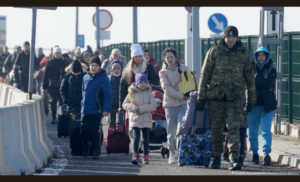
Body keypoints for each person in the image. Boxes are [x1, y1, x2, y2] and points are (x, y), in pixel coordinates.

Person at [196, 26, 256, 171]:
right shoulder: (214, 51)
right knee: (216, 129)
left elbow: (250, 78)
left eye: (233, 37)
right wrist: (201, 97)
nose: (230, 39)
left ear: (237, 38)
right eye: (228, 37)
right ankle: (216, 158)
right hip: (216, 96)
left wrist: (251, 100)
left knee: (234, 128)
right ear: (224, 37)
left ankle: (234, 158)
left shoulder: (244, 54)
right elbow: (205, 75)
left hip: (235, 97)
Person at [159, 47, 189, 164]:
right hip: (170, 105)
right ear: (165, 59)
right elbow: (167, 89)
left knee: (182, 128)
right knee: (171, 132)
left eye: (172, 56)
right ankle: (172, 153)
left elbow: (193, 80)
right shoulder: (162, 72)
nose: (170, 59)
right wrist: (182, 96)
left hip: (183, 104)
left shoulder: (184, 68)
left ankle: (181, 152)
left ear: (176, 57)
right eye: (167, 57)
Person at [248, 47, 277, 166]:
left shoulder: (271, 70)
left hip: (267, 105)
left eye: (263, 55)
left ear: (267, 57)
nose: (261, 57)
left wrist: (255, 78)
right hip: (253, 105)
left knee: (266, 130)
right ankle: (255, 153)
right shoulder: (249, 70)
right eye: (259, 55)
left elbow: (268, 83)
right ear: (255, 57)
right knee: (253, 132)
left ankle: (266, 153)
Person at [81, 56, 112, 160]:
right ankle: (85, 145)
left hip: (97, 109)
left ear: (99, 67)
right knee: (84, 130)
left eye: (96, 66)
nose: (93, 67)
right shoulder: (85, 77)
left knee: (95, 131)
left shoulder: (103, 78)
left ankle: (96, 150)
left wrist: (106, 109)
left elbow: (108, 95)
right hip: (85, 109)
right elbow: (83, 93)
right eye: (92, 65)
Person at [122, 72, 157, 164]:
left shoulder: (149, 94)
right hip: (135, 118)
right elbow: (125, 104)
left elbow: (153, 105)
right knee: (136, 137)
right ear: (137, 83)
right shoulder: (131, 94)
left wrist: (141, 109)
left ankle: (145, 155)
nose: (143, 84)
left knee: (146, 138)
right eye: (140, 83)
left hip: (146, 118)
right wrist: (133, 108)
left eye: (144, 82)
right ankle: (135, 154)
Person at [119, 44, 161, 114]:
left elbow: (155, 79)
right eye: (136, 57)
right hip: (132, 100)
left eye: (140, 56)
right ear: (133, 57)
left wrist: (149, 88)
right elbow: (123, 87)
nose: (138, 59)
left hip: (146, 99)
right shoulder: (128, 70)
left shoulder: (148, 67)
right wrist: (120, 105)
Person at [43, 46, 69, 124]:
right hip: (53, 86)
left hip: (63, 85)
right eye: (56, 53)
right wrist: (45, 87)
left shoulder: (65, 61)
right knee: (53, 102)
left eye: (59, 53)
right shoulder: (50, 61)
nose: (58, 55)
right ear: (54, 54)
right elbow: (46, 74)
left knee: (62, 102)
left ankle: (61, 117)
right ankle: (54, 117)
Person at [108, 59, 123, 127]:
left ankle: (121, 134)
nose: (116, 70)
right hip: (111, 102)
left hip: (121, 103)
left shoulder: (123, 78)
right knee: (112, 121)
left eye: (118, 69)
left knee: (121, 121)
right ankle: (112, 134)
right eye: (114, 69)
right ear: (112, 70)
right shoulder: (109, 78)